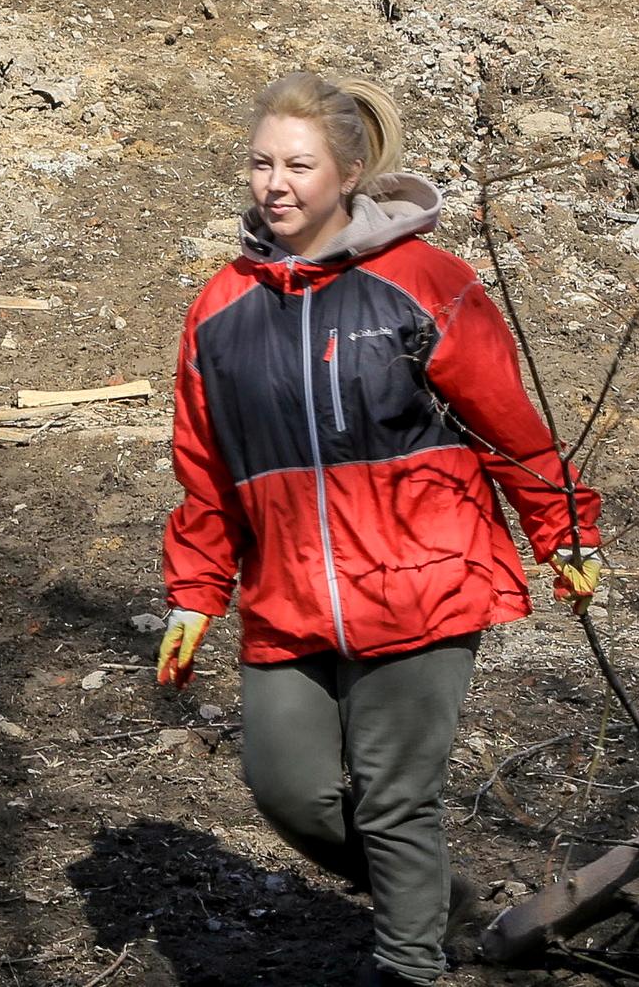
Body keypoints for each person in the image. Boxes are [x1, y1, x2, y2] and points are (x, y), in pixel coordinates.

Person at [153, 72, 605, 986]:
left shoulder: (423, 282)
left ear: (350, 174)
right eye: (261, 163)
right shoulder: (219, 310)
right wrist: (196, 595)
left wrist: (562, 531)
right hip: (287, 592)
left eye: (298, 165)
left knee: (397, 801)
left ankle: (412, 967)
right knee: (289, 793)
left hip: (423, 576)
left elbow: (509, 424)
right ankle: (434, 899)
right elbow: (207, 472)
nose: (274, 184)